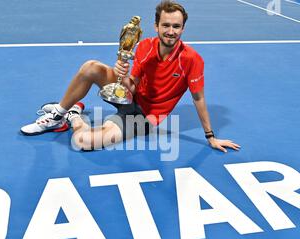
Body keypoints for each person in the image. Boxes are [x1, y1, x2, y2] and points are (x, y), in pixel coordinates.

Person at [21, 0, 240, 153]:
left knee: (82, 142)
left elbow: (198, 99)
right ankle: (58, 115)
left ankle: (73, 116)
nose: (170, 31)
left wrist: (210, 137)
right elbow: (131, 87)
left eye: (176, 26)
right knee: (91, 67)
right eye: (166, 25)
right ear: (156, 26)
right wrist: (123, 75)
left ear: (182, 29)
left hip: (144, 118)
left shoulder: (192, 59)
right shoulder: (144, 46)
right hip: (128, 97)